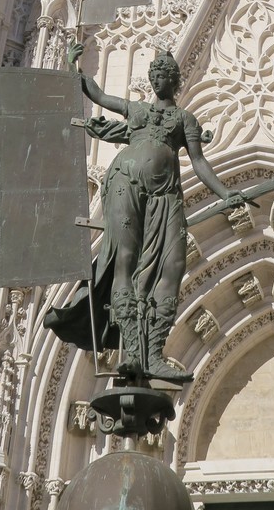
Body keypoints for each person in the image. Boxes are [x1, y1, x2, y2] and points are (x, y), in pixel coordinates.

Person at [43, 44, 245, 381]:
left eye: (164, 74)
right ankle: (133, 353)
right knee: (124, 260)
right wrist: (73, 69)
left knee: (174, 264)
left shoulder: (184, 119)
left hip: (165, 195)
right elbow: (99, 95)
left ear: (174, 81)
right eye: (154, 74)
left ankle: (153, 353)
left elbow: (199, 162)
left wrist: (225, 192)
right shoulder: (135, 109)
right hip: (124, 182)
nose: (158, 78)